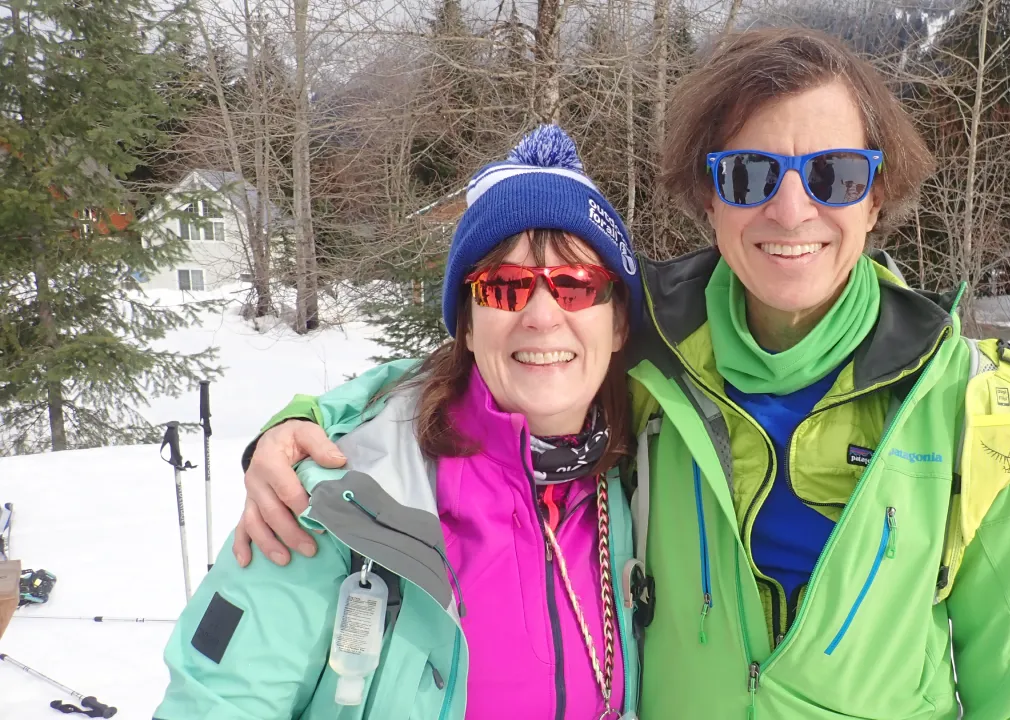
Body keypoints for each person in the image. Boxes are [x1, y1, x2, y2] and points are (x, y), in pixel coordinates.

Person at [234, 27, 1010, 719]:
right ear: (709, 198)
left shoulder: (964, 407)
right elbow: (488, 362)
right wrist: (306, 422)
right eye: (749, 175)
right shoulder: (648, 348)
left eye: (834, 174)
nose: (792, 210)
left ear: (875, 194)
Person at [153, 125, 645, 720]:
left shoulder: (643, 476)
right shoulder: (339, 499)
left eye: (576, 285)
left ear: (619, 324)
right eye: (505, 288)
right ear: (467, 325)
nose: (542, 316)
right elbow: (217, 704)